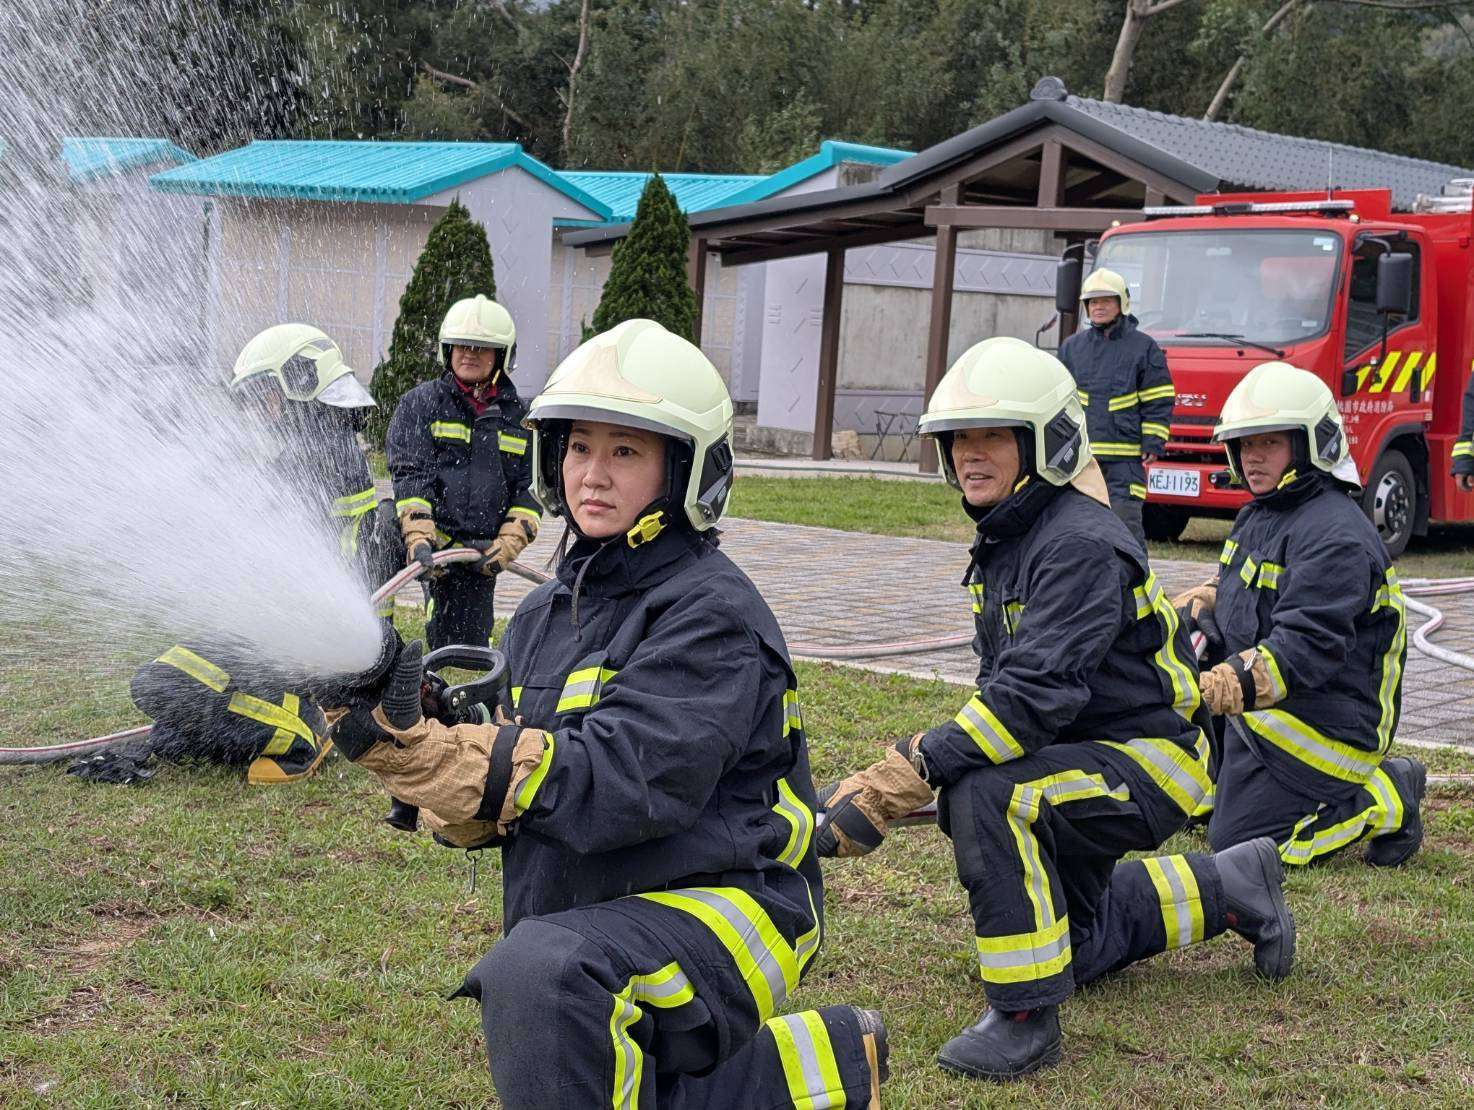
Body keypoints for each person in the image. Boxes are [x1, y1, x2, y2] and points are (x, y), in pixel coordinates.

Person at [331, 319, 887, 1108]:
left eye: (626, 452)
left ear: (687, 471)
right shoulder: (543, 615)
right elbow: (509, 795)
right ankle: (824, 1063)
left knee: (542, 976)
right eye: (579, 447)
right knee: (569, 1017)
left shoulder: (712, 614)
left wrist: (457, 761)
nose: (592, 474)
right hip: (595, 899)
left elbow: (622, 781)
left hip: (735, 903)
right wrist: (414, 741)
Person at [816, 337, 1294, 1082]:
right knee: (1073, 936)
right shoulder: (1013, 530)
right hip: (1082, 750)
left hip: (1149, 757)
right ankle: (1235, 885)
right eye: (958, 439)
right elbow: (1005, 686)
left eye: (992, 437)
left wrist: (899, 778)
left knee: (987, 794)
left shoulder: (1075, 543)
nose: (970, 455)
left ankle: (1025, 1016)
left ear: (1045, 444)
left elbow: (1031, 697)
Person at [1174, 361, 1424, 868]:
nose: (1253, 457)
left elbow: (1308, 644)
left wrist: (1233, 680)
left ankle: (1387, 795)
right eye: (1245, 445)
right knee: (1193, 801)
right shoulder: (1260, 514)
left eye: (1268, 443)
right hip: (1275, 707)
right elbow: (1242, 590)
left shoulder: (1336, 533)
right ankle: (1227, 787)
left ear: (1312, 445)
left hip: (1329, 723)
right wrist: (1199, 604)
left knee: (1241, 847)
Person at [129, 324, 392, 785]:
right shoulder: (329, 451)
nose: (260, 411)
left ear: (303, 384)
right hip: (281, 635)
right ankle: (284, 714)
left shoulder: (317, 459)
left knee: (161, 683)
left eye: (268, 396)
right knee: (172, 726)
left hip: (295, 646)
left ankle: (303, 731)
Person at [387, 295, 540, 650]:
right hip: (431, 541)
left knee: (466, 649)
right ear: (447, 350)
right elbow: (411, 474)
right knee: (378, 531)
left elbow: (530, 490)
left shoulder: (522, 419)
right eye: (461, 345)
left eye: (482, 348)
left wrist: (508, 543)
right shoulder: (420, 404)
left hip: (483, 551)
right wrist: (419, 537)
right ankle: (379, 647)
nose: (469, 353)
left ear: (501, 356)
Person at [1057, 268, 1174, 548]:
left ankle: (1134, 589)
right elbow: (1058, 398)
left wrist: (1153, 441)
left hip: (1125, 463)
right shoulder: (1072, 348)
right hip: (1082, 461)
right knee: (1080, 531)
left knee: (1126, 532)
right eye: (1093, 302)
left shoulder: (1144, 348)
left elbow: (1159, 397)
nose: (1098, 307)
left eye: (1106, 300)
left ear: (1122, 303)